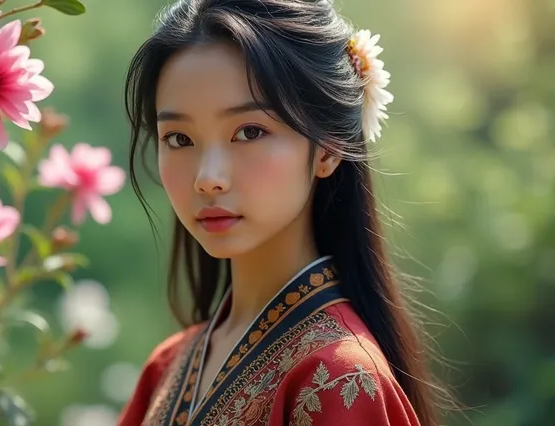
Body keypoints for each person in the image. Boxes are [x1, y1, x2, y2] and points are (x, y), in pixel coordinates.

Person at [119, 0, 450, 425]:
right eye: (179, 139)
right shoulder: (166, 367)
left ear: (328, 149)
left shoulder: (340, 380)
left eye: (249, 131)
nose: (207, 178)